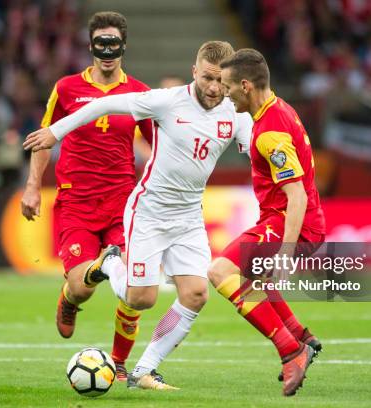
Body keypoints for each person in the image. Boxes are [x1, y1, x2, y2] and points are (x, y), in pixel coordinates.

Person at [24, 41, 253, 390]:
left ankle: (143, 370)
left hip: (189, 216)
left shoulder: (235, 114)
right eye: (207, 77)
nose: (213, 87)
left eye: (221, 80)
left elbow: (260, 148)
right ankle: (109, 265)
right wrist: (56, 131)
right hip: (148, 210)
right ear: (195, 72)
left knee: (196, 294)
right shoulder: (166, 100)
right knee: (140, 298)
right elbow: (103, 104)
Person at [20, 11, 153, 381]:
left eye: (113, 44)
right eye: (100, 44)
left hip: (122, 204)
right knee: (82, 287)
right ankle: (69, 298)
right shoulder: (66, 89)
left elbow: (157, 145)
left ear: (124, 45)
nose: (107, 51)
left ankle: (119, 363)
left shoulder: (140, 93)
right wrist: (33, 185)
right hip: (76, 203)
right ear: (90, 46)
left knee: (133, 287)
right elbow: (46, 138)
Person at [211, 48, 325, 396]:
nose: (225, 93)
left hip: (294, 222)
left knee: (220, 272)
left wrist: (286, 253)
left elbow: (298, 195)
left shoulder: (269, 132)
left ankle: (291, 350)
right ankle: (301, 336)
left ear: (245, 85)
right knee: (251, 276)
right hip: (286, 218)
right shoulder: (277, 110)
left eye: (228, 86)